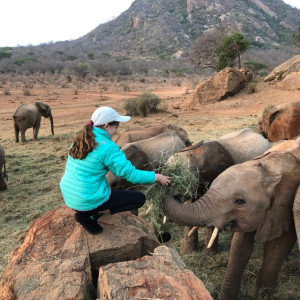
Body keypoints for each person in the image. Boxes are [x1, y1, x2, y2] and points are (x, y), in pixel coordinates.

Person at [60, 106, 171, 235]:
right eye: (116, 126)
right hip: (86, 199)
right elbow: (131, 175)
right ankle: (90, 215)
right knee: (139, 199)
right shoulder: (109, 147)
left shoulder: (80, 139)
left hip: (69, 195)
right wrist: (156, 177)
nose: (116, 131)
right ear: (107, 126)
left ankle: (85, 212)